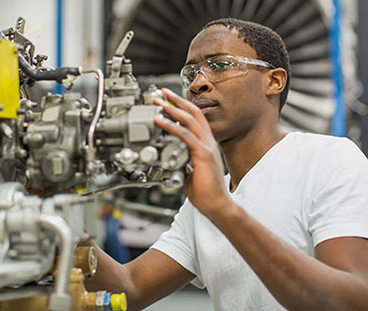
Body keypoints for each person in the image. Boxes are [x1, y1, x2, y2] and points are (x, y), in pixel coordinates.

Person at [84, 18, 368, 311]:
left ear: (274, 81)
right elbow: (130, 288)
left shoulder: (329, 160)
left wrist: (222, 208)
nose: (198, 83)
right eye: (191, 72)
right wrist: (58, 231)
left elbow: (352, 301)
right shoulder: (204, 204)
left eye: (219, 65)